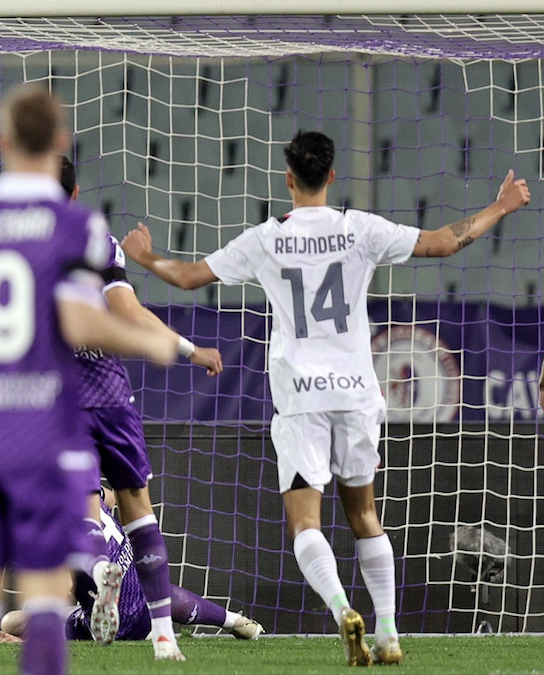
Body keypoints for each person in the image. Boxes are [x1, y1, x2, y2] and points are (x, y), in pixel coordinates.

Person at [121, 130, 531, 666]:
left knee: (305, 524)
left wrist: (149, 258)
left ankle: (342, 611)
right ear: (332, 176)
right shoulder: (359, 229)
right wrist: (501, 206)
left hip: (301, 396)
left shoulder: (267, 237)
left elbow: (192, 277)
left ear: (288, 178)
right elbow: (445, 241)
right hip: (358, 392)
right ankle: (387, 632)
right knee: (365, 515)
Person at [0, 84, 180, 675]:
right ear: (60, 142)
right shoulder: (76, 225)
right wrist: (148, 340)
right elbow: (80, 321)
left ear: (1, 143)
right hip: (46, 429)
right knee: (44, 598)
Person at [59, 156, 223, 657]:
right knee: (138, 510)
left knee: (78, 508)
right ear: (76, 190)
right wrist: (189, 350)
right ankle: (165, 637)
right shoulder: (97, 240)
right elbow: (127, 311)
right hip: (110, 390)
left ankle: (95, 568)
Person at [0, 491, 263, 643]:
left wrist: (24, 644)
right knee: (153, 589)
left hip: (110, 628)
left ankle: (99, 604)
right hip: (146, 610)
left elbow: (61, 590)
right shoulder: (86, 491)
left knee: (11, 622)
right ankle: (234, 620)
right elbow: (111, 498)